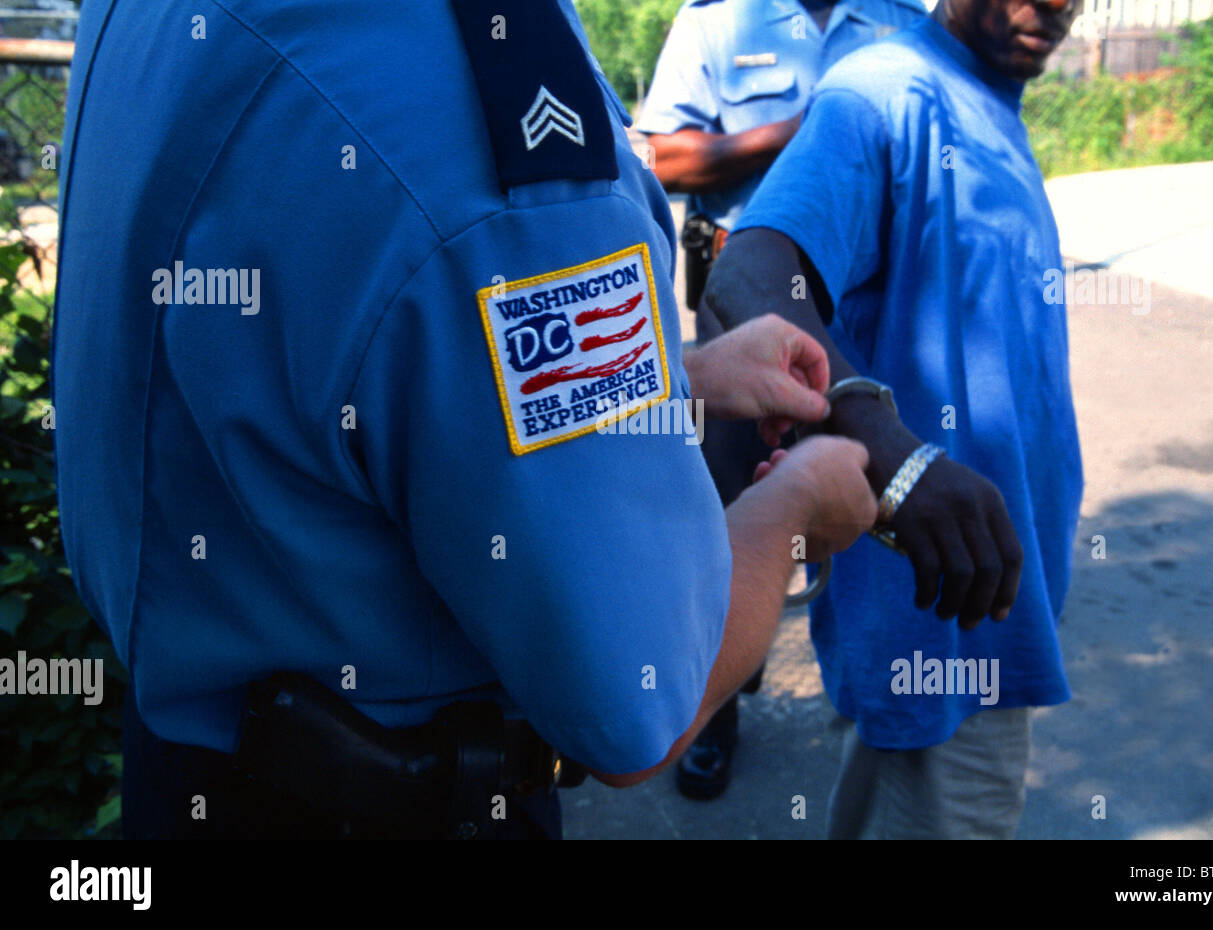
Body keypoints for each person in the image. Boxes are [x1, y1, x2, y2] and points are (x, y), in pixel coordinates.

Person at [51, 0, 877, 839]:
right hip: (397, 808)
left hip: (178, 772)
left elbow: (303, 339)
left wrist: (672, 380)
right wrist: (796, 512)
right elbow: (638, 696)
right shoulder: (487, 87)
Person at [702, 0, 1084, 838]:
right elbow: (752, 275)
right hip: (936, 626)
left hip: (994, 599)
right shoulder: (884, 90)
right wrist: (895, 457)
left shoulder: (987, 105)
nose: (1057, 5)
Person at [638, 0, 927, 802]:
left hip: (877, 307)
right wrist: (796, 132)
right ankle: (717, 709)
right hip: (750, 309)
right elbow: (659, 158)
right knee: (740, 510)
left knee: (879, 503)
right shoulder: (718, 21)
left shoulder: (904, 19)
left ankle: (873, 705)